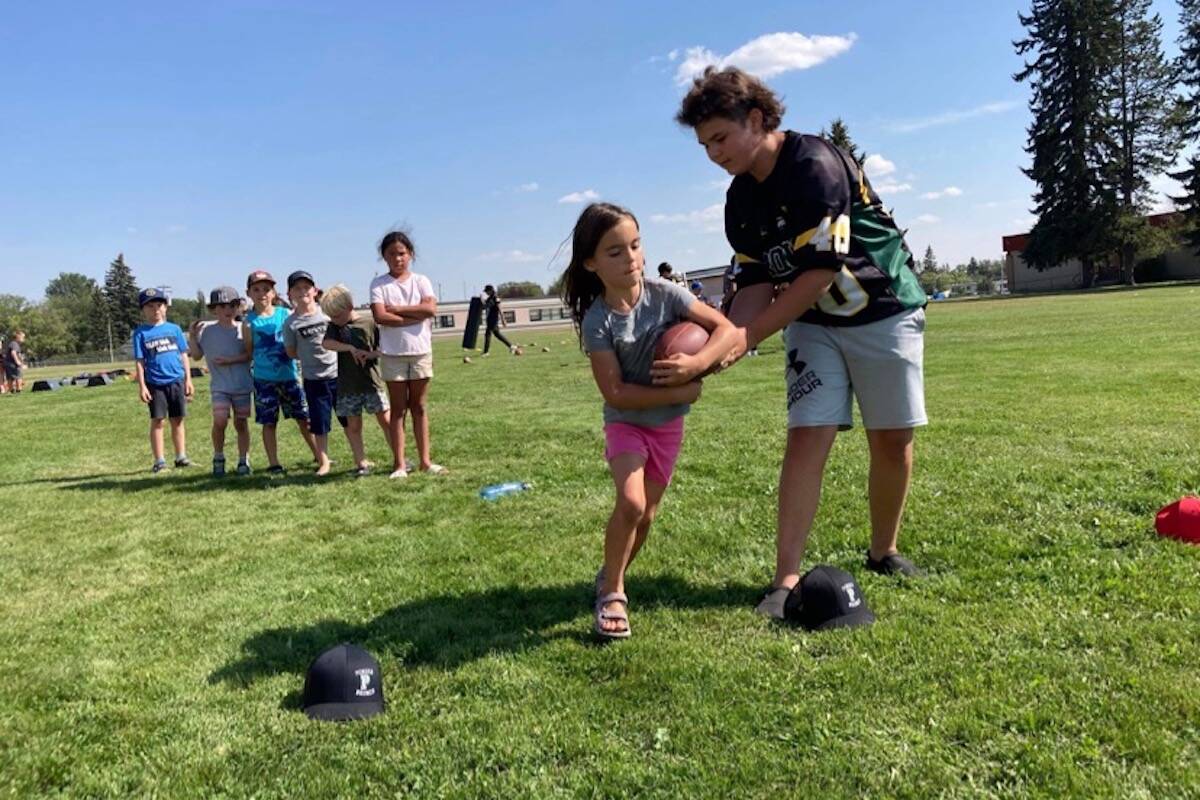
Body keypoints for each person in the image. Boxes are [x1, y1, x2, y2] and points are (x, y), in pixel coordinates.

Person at [677, 66, 930, 619]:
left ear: (758, 118)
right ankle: (785, 578)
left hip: (883, 308)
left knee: (891, 441)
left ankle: (884, 550)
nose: (713, 153)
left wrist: (742, 338)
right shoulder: (739, 200)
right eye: (704, 144)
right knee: (806, 438)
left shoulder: (814, 164)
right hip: (813, 323)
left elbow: (818, 272)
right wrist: (719, 345)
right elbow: (755, 288)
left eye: (720, 138)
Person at [560, 202, 736, 640]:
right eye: (615, 252)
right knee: (632, 503)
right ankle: (614, 593)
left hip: (667, 426)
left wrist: (696, 365)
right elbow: (615, 392)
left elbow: (728, 331)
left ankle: (609, 573)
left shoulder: (668, 295)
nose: (632, 259)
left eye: (636, 246)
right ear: (591, 263)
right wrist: (684, 389)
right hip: (626, 422)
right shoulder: (599, 320)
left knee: (647, 515)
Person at [369, 230, 447, 479]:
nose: (397, 258)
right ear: (384, 256)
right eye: (391, 254)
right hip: (392, 354)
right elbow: (380, 316)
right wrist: (414, 316)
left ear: (410, 254)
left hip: (421, 351)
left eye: (401, 253)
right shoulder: (379, 284)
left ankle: (425, 461)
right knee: (398, 409)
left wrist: (400, 311)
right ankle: (399, 464)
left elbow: (430, 309)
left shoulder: (421, 281)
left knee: (420, 407)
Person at [242, 269, 320, 476]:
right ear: (249, 293)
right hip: (263, 379)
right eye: (256, 290)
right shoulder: (248, 322)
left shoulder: (285, 314)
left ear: (274, 293)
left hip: (290, 377)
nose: (262, 294)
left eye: (267, 289)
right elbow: (249, 350)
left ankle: (319, 454)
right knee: (269, 423)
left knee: (304, 418)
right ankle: (274, 462)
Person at [320, 283, 392, 477]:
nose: (335, 319)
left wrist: (369, 355)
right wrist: (349, 348)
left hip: (371, 382)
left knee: (386, 420)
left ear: (350, 306)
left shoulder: (369, 323)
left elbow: (383, 349)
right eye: (331, 317)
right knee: (353, 426)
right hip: (348, 386)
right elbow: (326, 343)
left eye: (337, 315)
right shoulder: (334, 328)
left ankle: (399, 458)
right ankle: (361, 463)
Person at [188, 286, 254, 476]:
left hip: (241, 384)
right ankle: (218, 456)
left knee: (241, 423)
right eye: (223, 306)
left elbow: (250, 355)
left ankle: (243, 460)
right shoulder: (207, 331)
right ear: (214, 309)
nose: (228, 310)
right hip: (220, 386)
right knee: (220, 421)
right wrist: (192, 336)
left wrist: (231, 361)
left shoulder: (244, 329)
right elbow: (197, 355)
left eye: (233, 305)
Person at [282, 271, 339, 476]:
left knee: (350, 419)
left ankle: (361, 458)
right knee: (319, 423)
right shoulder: (290, 323)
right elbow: (291, 352)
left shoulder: (327, 314)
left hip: (337, 375)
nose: (302, 292)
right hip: (313, 380)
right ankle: (323, 461)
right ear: (290, 294)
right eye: (297, 288)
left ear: (315, 290)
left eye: (306, 287)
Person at [132, 288, 193, 472]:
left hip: (176, 379)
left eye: (159, 305)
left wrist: (188, 379)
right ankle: (159, 461)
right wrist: (142, 385)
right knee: (158, 421)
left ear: (165, 307)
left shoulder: (174, 329)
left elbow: (183, 356)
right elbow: (140, 361)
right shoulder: (141, 333)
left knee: (178, 419)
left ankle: (181, 456)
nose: (155, 309)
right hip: (155, 383)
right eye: (150, 306)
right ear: (143, 309)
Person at [480, 284, 517, 356]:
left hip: (493, 319)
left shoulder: (496, 298)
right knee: (497, 334)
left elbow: (500, 309)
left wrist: (503, 320)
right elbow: (485, 306)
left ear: (490, 290)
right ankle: (511, 346)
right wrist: (482, 300)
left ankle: (486, 352)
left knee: (488, 334)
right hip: (490, 318)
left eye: (487, 291)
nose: (486, 293)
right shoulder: (489, 298)